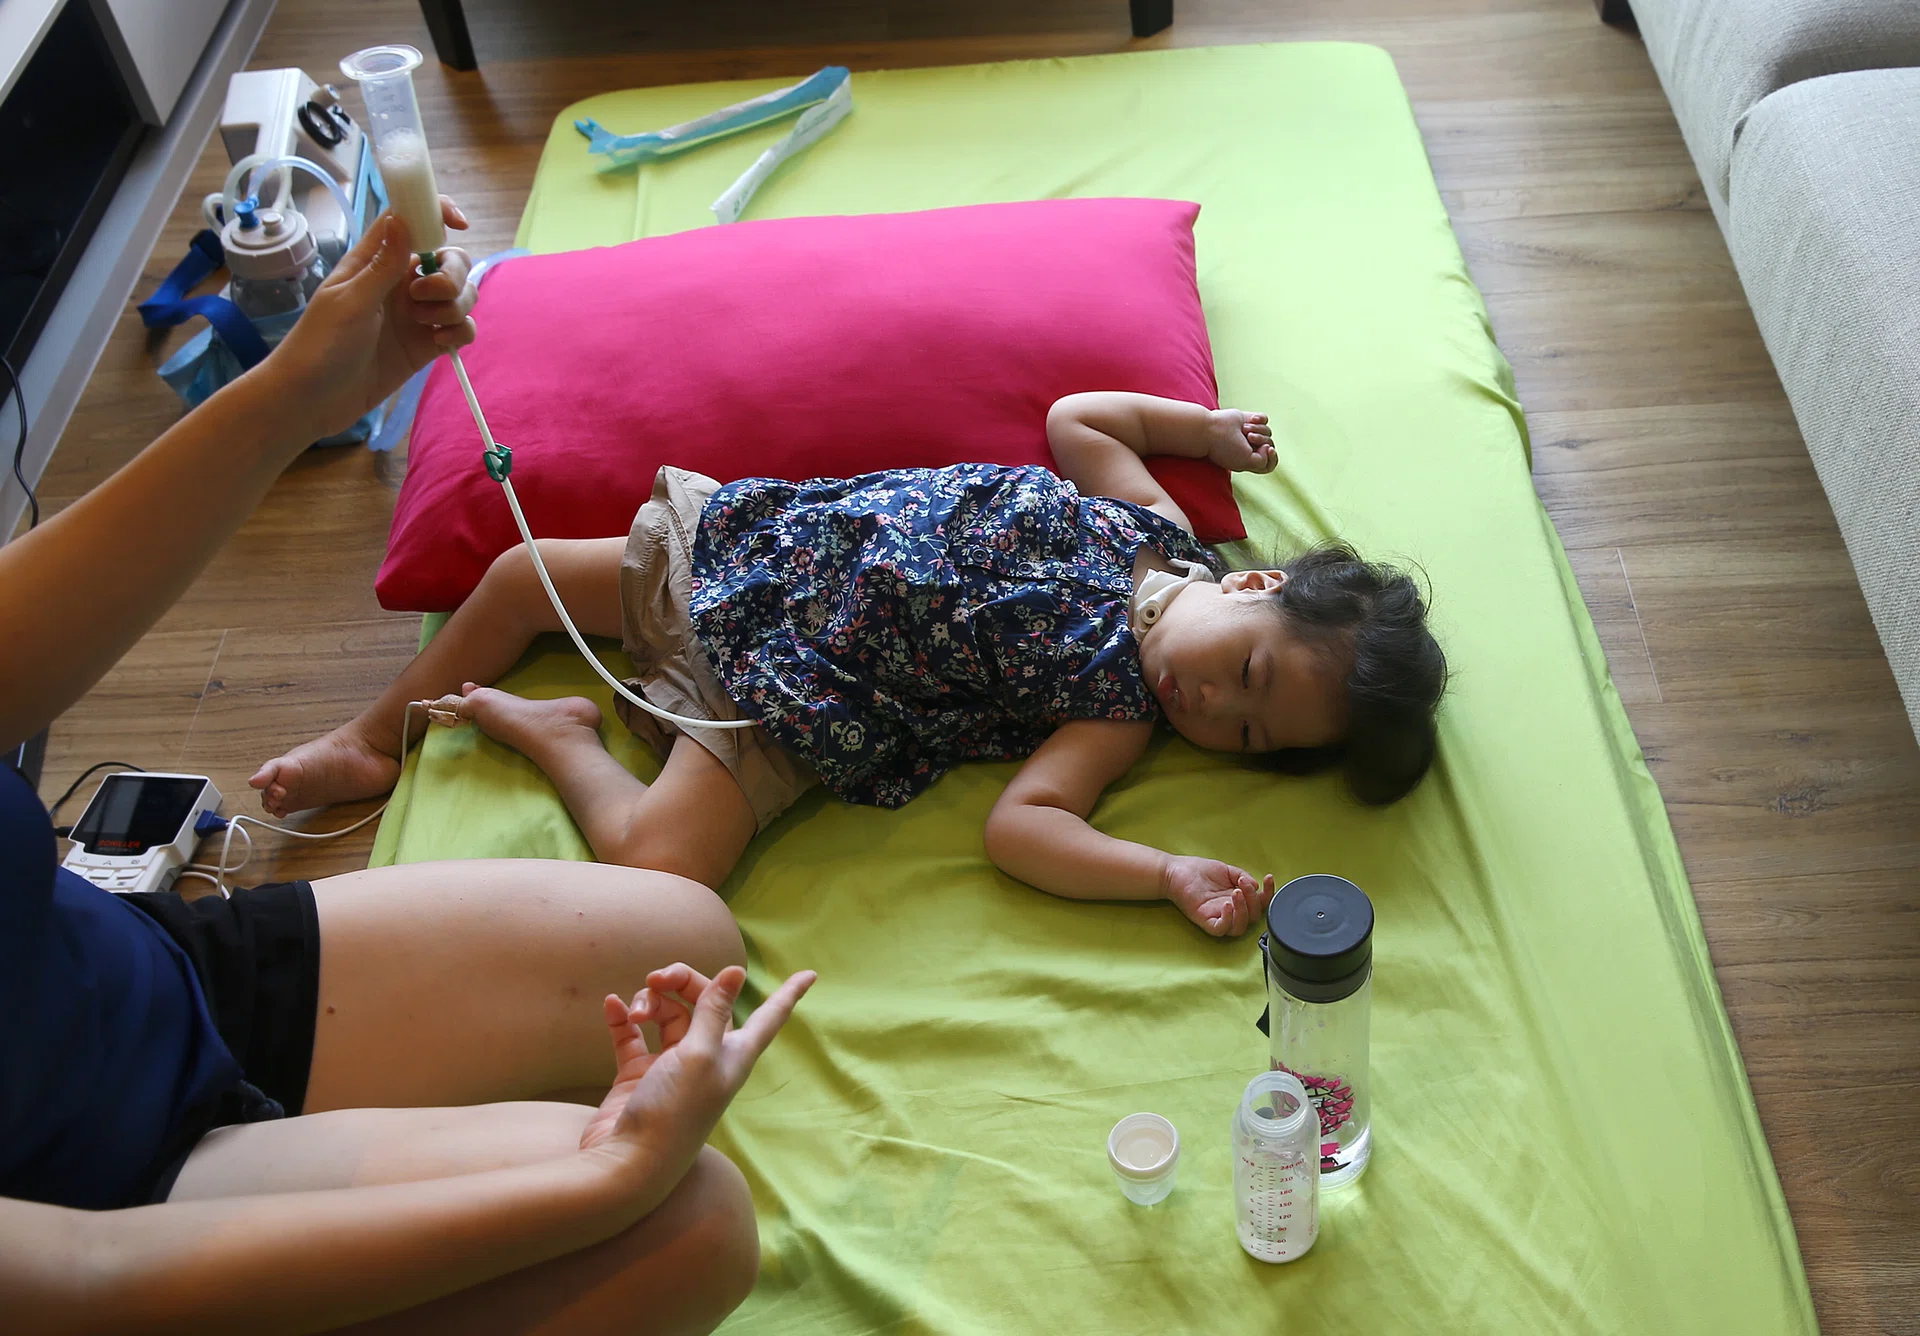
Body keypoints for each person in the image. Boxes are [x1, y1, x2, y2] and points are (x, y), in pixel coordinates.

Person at [0, 206, 813, 1335]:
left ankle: (503, 746)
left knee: (679, 928)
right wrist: (602, 1180)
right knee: (692, 1226)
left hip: (127, 987)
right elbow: (85, 1273)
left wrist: (301, 390)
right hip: (103, 1213)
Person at [252, 392, 1448, 939]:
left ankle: (560, 734)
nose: (1211, 704)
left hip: (798, 699)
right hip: (760, 556)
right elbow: (1082, 420)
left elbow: (1025, 828)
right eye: (1246, 674)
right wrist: (1203, 431)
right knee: (520, 577)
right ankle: (369, 735)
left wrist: (1163, 870)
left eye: (1246, 735)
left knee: (660, 868)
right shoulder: (1157, 527)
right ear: (1250, 587)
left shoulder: (1116, 707)